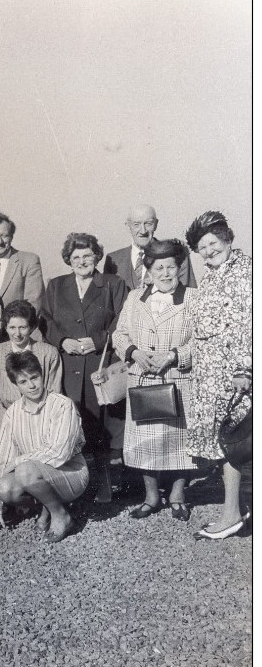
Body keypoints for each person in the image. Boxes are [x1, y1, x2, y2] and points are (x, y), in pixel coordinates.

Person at [112, 239, 196, 521]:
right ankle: (151, 497)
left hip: (179, 379)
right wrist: (134, 353)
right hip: (142, 379)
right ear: (148, 270)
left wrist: (173, 355)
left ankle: (177, 495)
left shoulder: (194, 299)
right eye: (158, 267)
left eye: (171, 266)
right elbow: (119, 335)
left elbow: (203, 342)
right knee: (145, 441)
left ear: (180, 267)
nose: (165, 273)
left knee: (179, 441)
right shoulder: (135, 298)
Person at [41, 233, 128, 494]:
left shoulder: (113, 283)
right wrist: (62, 340)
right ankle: (71, 485)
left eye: (87, 255)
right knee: (70, 423)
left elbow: (124, 319)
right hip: (67, 367)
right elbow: (44, 319)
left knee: (101, 428)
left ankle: (103, 482)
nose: (81, 261)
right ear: (68, 260)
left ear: (96, 257)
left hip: (99, 367)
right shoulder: (56, 286)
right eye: (76, 257)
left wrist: (100, 340)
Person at [184, 212, 252, 539]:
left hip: (233, 373)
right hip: (212, 374)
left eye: (212, 243)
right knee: (230, 443)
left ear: (227, 238)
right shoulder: (213, 274)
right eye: (202, 247)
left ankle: (232, 515)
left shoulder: (242, 272)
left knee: (234, 441)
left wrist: (243, 369)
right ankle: (234, 510)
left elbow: (246, 324)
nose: (208, 251)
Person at [0, 351, 89, 543]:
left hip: (71, 472)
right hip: (36, 475)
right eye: (23, 382)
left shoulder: (62, 404)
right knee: (5, 488)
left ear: (42, 375)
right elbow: (1, 459)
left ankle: (61, 516)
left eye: (34, 377)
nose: (32, 385)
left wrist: (19, 460)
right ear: (16, 384)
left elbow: (60, 452)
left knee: (24, 470)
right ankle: (47, 507)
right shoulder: (12, 412)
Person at [0, 299, 62, 428]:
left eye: (22, 328)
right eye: (12, 327)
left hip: (41, 421)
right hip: (6, 422)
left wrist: (37, 422)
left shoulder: (49, 353)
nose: (17, 334)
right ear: (5, 327)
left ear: (32, 328)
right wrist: (8, 422)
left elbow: (54, 391)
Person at [104, 204, 196, 290]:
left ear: (156, 224)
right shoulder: (113, 259)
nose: (143, 231)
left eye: (148, 223)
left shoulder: (176, 253)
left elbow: (190, 295)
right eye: (136, 224)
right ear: (128, 225)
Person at [0, 211, 45, 311]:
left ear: (11, 237)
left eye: (4, 235)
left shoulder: (29, 261)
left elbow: (34, 303)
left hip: (17, 325)